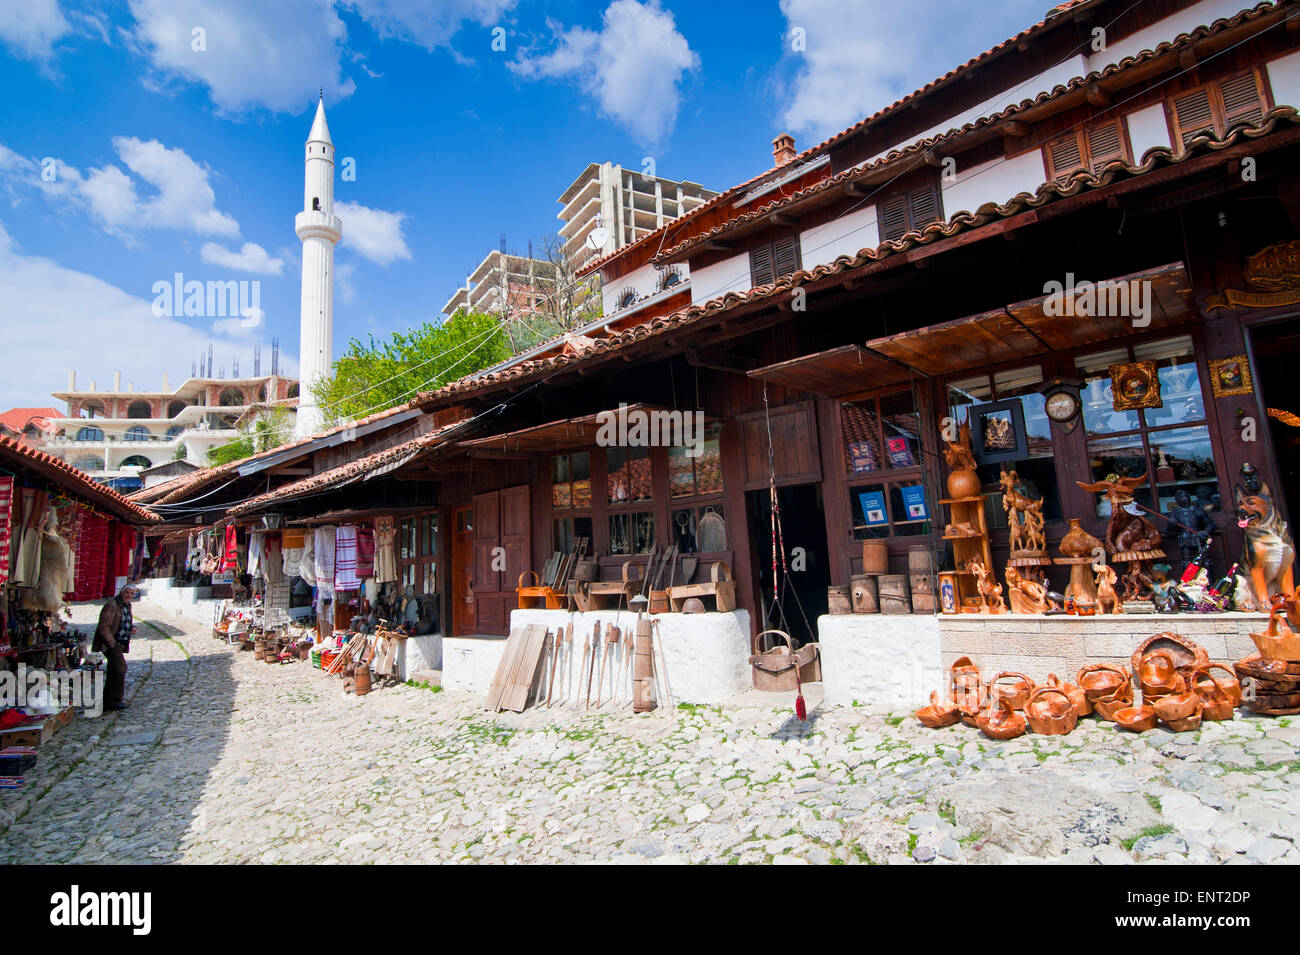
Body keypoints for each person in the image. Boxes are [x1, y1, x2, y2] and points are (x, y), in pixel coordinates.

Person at [94, 584, 139, 712]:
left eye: (132, 594)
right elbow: (103, 626)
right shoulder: (112, 605)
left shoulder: (126, 605)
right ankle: (114, 701)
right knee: (120, 669)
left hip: (118, 642)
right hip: (111, 643)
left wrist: (131, 628)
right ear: (122, 592)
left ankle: (108, 701)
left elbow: (123, 622)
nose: (129, 595)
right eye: (127, 593)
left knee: (114, 670)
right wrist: (112, 643)